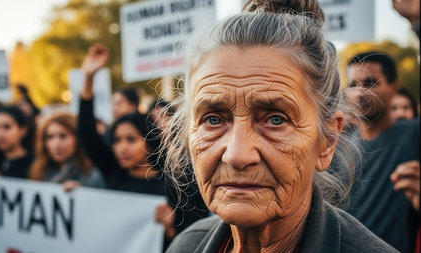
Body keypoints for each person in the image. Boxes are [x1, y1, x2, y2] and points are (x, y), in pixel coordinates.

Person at [164, 1, 396, 252]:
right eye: (213, 120)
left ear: (327, 141)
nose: (237, 155)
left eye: (276, 119)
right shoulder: (187, 245)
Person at [77, 44, 209, 249]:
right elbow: (87, 134)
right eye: (117, 140)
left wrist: (170, 229)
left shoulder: (176, 186)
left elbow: (196, 239)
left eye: (131, 140)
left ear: (149, 142)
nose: (122, 148)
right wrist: (88, 79)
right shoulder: (114, 174)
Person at [345, 51, 419, 252]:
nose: (360, 93)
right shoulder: (337, 152)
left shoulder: (413, 135)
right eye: (353, 85)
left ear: (394, 88)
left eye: (370, 83)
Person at [29, 112, 106, 191]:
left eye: (63, 136)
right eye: (50, 137)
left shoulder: (91, 176)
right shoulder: (39, 171)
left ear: (78, 139)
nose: (56, 144)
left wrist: (82, 193)